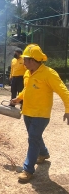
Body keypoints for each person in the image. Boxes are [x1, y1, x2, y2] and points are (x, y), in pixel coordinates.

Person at [11, 44, 69, 183]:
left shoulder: (49, 74)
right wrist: (18, 98)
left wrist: (68, 109)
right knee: (34, 136)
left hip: (41, 114)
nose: (22, 61)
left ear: (32, 60)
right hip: (28, 112)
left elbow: (64, 92)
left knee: (33, 138)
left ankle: (28, 170)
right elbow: (27, 89)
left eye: (25, 59)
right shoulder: (27, 72)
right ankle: (43, 153)